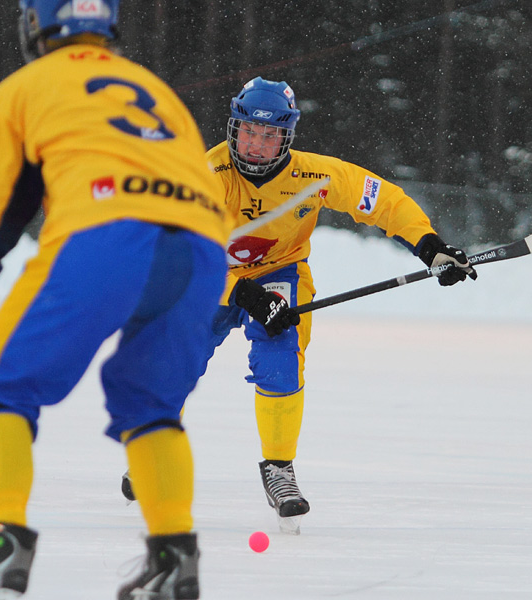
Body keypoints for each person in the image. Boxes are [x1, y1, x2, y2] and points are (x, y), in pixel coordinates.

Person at [0, 1, 230, 598]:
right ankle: (175, 556)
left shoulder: (22, 87)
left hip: (105, 233)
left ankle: (4, 545)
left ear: (33, 24)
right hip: (201, 250)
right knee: (150, 405)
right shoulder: (155, 87)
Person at [122, 76, 477, 533]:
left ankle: (278, 469)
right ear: (233, 128)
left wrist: (430, 247)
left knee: (280, 357)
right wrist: (245, 295)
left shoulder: (315, 176)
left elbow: (383, 200)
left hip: (279, 272)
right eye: (247, 131)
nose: (254, 144)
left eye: (268, 135)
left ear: (286, 137)